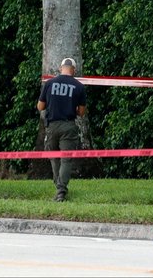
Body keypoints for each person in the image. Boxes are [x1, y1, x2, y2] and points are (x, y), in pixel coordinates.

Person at [37, 58, 86, 202]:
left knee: (54, 157)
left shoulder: (49, 83)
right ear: (74, 70)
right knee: (66, 159)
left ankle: (57, 186)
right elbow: (81, 112)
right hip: (69, 126)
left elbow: (40, 107)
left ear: (60, 68)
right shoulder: (79, 86)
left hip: (51, 126)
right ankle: (61, 190)